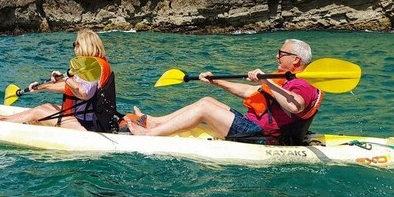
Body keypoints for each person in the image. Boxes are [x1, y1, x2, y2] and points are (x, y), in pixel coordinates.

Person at [128, 39, 323, 144]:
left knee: (205, 107)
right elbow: (250, 92)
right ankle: (155, 122)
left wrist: (268, 81)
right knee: (208, 99)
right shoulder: (284, 81)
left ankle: (150, 136)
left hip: (262, 135)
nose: (276, 56)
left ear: (296, 60)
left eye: (281, 54)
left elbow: (296, 105)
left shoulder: (303, 84)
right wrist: (216, 81)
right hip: (252, 126)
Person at [0, 29, 119, 132]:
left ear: (83, 45)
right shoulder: (91, 65)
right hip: (84, 119)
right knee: (46, 106)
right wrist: (42, 87)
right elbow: (72, 88)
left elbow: (84, 93)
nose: (74, 48)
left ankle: (2, 122)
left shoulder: (93, 68)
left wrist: (67, 78)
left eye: (75, 44)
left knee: (39, 112)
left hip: (87, 125)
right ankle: (6, 119)